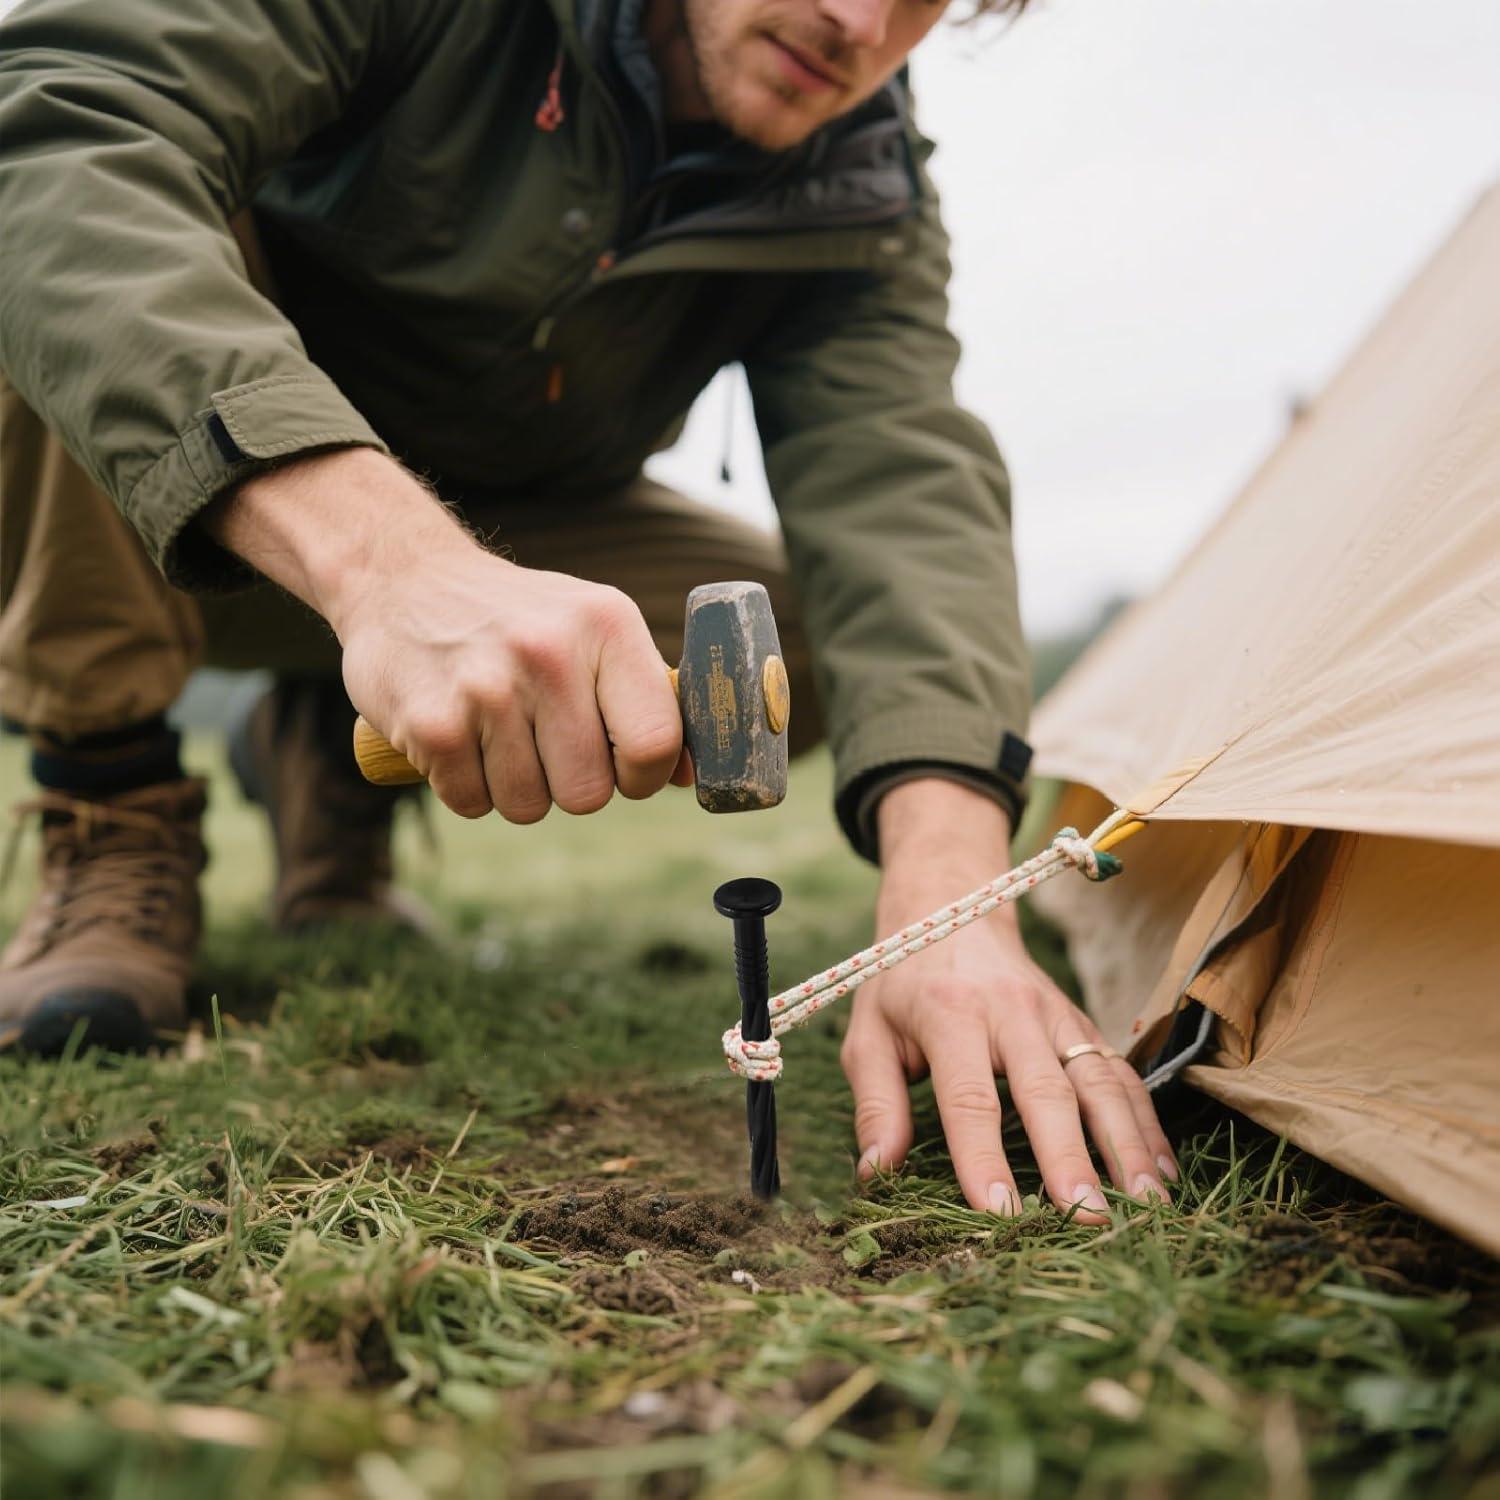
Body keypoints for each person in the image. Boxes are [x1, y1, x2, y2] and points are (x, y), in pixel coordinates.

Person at [0, 0, 1177, 1221]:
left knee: (821, 644)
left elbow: (901, 489)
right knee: (76, 256)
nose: (858, 20)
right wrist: (389, 571)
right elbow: (54, 130)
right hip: (153, 510)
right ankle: (111, 800)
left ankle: (326, 754)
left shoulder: (856, 182)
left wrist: (949, 893)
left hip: (516, 527)